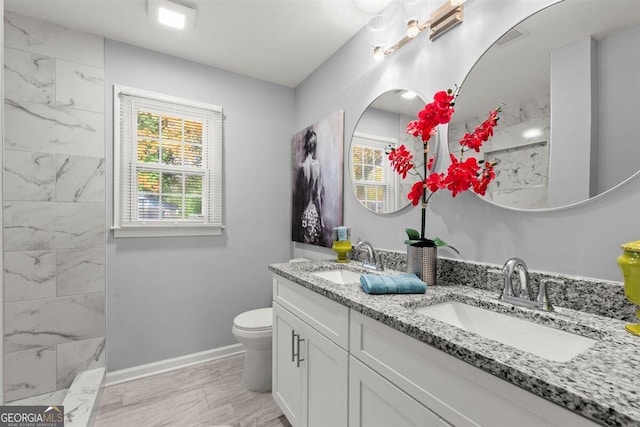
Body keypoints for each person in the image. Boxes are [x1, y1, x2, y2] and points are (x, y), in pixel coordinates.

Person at [292, 128, 325, 245]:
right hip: (313, 213)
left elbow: (299, 198)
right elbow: (316, 195)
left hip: (304, 215)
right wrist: (321, 221)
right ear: (314, 145)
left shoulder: (302, 167)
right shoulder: (316, 166)